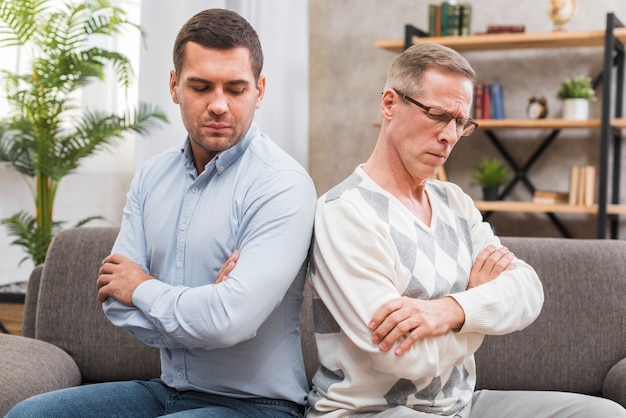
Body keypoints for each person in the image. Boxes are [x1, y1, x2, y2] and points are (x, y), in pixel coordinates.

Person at [7, 8, 316, 418]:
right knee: (29, 415)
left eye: (236, 89)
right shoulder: (153, 176)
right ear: (174, 86)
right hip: (167, 391)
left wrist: (142, 287)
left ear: (260, 90)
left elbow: (228, 322)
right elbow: (114, 301)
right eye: (201, 86)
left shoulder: (282, 185)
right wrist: (202, 304)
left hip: (258, 406)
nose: (219, 105)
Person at [306, 42, 626, 417]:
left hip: (462, 406)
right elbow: (402, 358)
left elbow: (527, 291)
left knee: (605, 414)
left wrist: (450, 310)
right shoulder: (345, 211)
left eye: (460, 121)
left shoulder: (454, 201)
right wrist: (479, 306)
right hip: (371, 411)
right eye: (438, 114)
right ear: (389, 104)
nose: (450, 135)